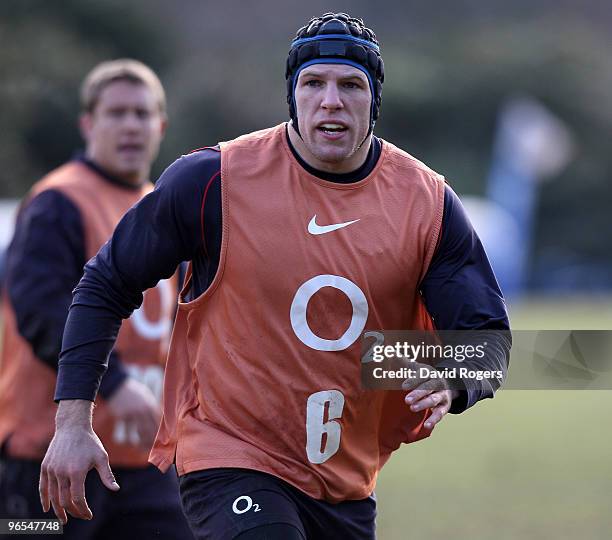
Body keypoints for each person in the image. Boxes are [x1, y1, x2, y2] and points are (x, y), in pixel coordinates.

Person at [40, 14, 511, 540]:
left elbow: (487, 336)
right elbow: (105, 284)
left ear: (374, 101)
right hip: (229, 454)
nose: (331, 100)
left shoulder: (427, 204)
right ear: (293, 96)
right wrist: (72, 424)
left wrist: (453, 376)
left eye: (351, 85)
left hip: (346, 481)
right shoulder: (213, 180)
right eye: (313, 83)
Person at [0, 59, 193, 539]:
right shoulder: (58, 200)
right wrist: (116, 383)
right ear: (88, 124)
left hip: (143, 459)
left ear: (161, 126)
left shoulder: (166, 212)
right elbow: (42, 310)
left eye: (142, 114)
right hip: (50, 454)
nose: (131, 126)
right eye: (117, 113)